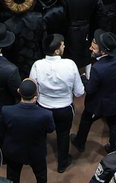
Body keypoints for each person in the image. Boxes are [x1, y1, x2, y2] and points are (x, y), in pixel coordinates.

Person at [0, 79, 56, 183]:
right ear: (36, 96)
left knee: (12, 178)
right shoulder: (46, 115)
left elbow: (2, 130)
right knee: (41, 177)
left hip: (14, 151)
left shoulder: (6, 111)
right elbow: (51, 129)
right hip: (36, 152)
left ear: (19, 92)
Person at [30, 35, 83, 172]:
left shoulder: (37, 65)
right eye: (62, 45)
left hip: (43, 107)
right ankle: (62, 163)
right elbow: (79, 92)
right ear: (57, 50)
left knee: (40, 134)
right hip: (64, 108)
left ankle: (38, 160)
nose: (64, 46)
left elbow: (32, 88)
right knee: (64, 134)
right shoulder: (70, 64)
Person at [74, 31, 116, 154]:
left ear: (103, 51)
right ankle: (114, 149)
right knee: (115, 124)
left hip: (100, 104)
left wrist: (83, 78)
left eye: (94, 46)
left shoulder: (98, 68)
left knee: (86, 119)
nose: (90, 48)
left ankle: (79, 142)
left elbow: (90, 89)